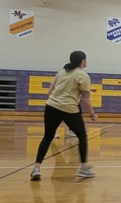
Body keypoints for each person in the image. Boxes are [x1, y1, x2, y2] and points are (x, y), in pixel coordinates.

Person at [31, 51, 98, 180]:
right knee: (82, 137)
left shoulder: (61, 72)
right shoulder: (83, 75)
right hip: (69, 109)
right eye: (86, 60)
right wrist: (92, 114)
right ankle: (83, 168)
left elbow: (50, 91)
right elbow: (85, 99)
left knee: (47, 137)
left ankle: (36, 169)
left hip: (51, 107)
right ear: (82, 61)